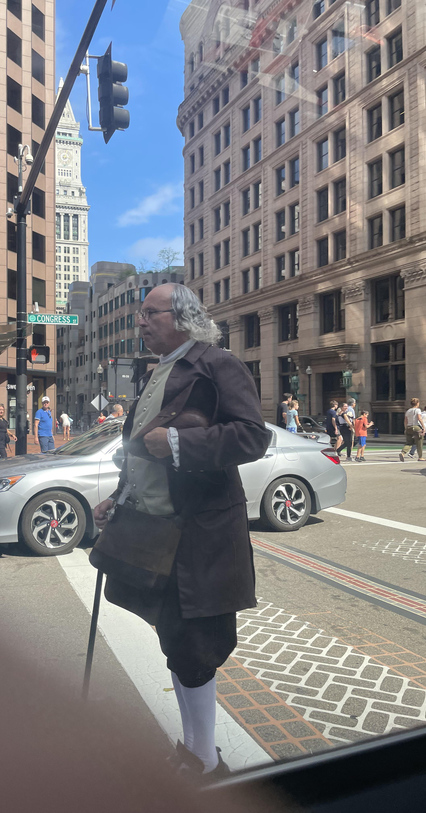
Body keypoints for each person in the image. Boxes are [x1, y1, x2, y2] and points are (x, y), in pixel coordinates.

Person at [93, 283, 269, 783]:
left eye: (151, 313)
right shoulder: (157, 372)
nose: (141, 322)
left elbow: (253, 436)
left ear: (184, 317)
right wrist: (118, 497)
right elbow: (137, 453)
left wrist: (176, 441)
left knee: (196, 648)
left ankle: (206, 763)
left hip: (198, 537)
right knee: (177, 642)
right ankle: (196, 751)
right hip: (155, 535)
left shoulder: (217, 364)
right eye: (139, 314)